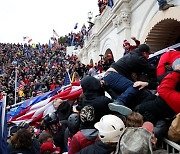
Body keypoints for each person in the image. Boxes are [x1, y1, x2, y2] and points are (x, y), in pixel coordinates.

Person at [104, 44, 155, 115]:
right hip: (113, 75)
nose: (148, 57)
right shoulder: (140, 58)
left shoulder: (131, 55)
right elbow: (151, 70)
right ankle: (119, 101)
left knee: (131, 91)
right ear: (144, 53)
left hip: (109, 76)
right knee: (136, 86)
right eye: (148, 54)